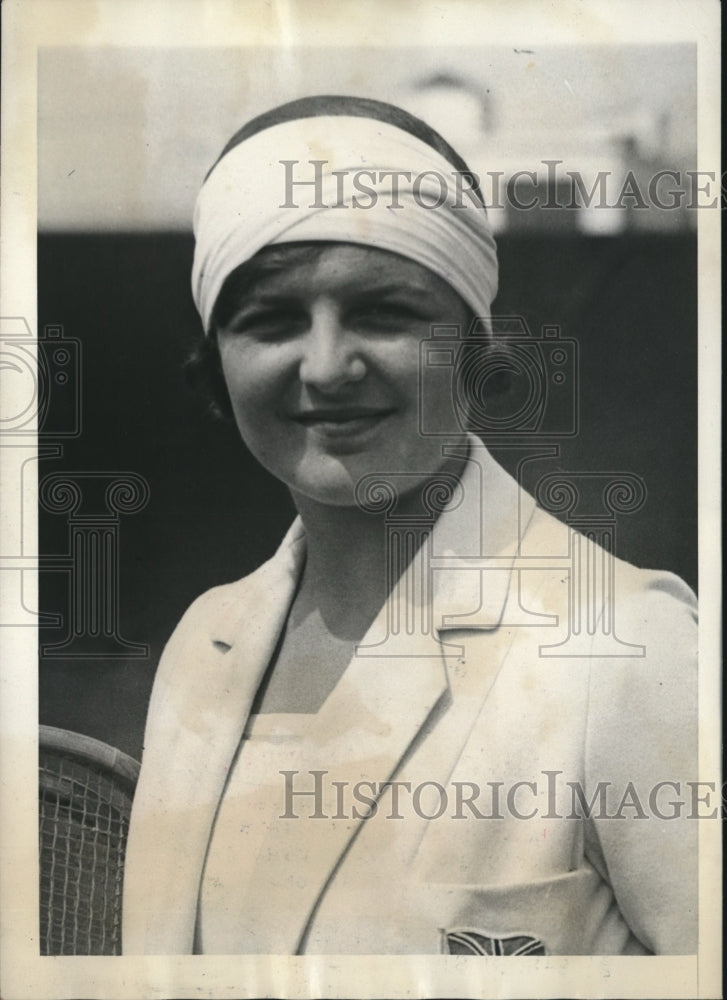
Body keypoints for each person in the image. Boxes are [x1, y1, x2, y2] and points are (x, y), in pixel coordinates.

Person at [122, 95, 698, 956]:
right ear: (217, 360)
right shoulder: (205, 644)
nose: (326, 366)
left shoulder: (625, 649)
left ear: (475, 344)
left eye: (385, 313)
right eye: (271, 320)